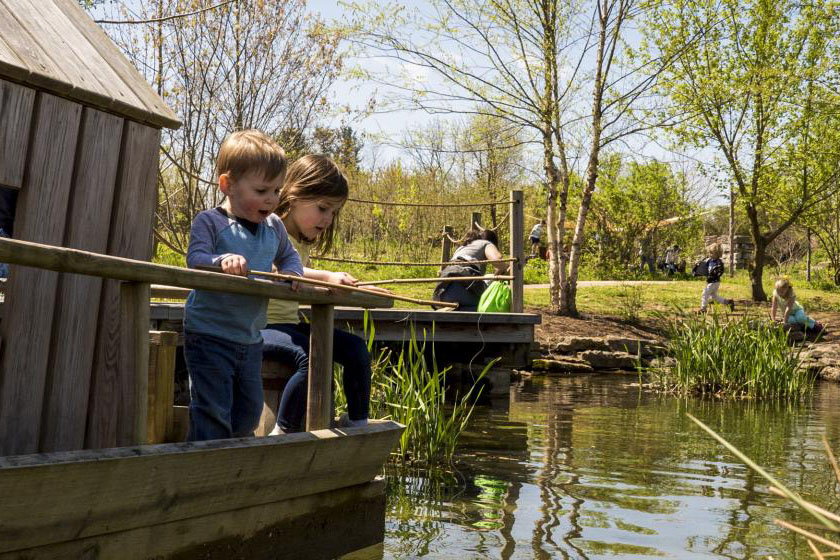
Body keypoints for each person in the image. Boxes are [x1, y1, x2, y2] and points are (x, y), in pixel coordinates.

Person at [184, 130, 303, 441]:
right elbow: (195, 257)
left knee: (250, 410)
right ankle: (204, 467)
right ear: (228, 185)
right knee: (212, 409)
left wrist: (292, 273)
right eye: (262, 190)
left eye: (277, 190)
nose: (271, 199)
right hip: (209, 334)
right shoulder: (210, 222)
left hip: (250, 338)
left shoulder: (274, 227)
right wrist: (221, 260)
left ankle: (233, 461)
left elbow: (290, 257)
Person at [262, 154, 382, 434]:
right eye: (322, 208)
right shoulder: (270, 228)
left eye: (333, 213)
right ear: (294, 195)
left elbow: (299, 280)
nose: (327, 219)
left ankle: (357, 424)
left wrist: (350, 287)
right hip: (259, 326)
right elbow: (275, 269)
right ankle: (281, 432)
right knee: (312, 358)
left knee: (355, 349)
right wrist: (327, 277)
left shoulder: (300, 241)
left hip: (288, 325)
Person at [432, 229, 508, 311]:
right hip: (460, 290)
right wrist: (507, 268)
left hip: (442, 294)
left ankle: (454, 309)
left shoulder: (462, 247)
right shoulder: (486, 243)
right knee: (489, 305)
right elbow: (497, 260)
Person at [699, 243, 735, 313]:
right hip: (710, 281)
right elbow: (704, 267)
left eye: (712, 253)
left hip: (714, 281)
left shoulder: (718, 262)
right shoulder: (709, 261)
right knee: (714, 297)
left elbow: (720, 271)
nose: (710, 254)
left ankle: (703, 309)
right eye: (709, 253)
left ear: (717, 254)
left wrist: (714, 273)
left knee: (705, 293)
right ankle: (728, 302)